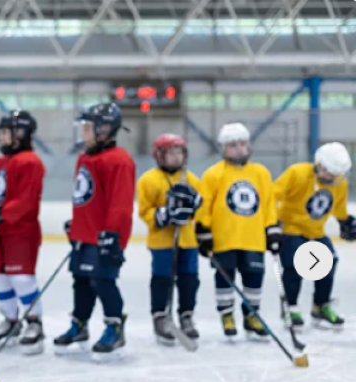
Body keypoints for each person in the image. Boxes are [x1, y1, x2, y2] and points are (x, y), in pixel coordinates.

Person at [55, 102, 135, 357]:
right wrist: (76, 224)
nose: (83, 133)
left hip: (104, 237)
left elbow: (120, 203)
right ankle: (79, 324)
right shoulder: (85, 158)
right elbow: (85, 196)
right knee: (80, 281)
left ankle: (115, 326)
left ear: (105, 130)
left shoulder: (119, 160)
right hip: (84, 234)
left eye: (88, 128)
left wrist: (113, 235)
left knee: (103, 281)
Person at [195, 123, 279, 341]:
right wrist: (203, 230)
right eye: (233, 145)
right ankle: (227, 315)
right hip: (225, 238)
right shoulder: (213, 174)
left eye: (243, 144)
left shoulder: (260, 173)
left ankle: (251, 316)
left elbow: (268, 203)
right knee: (225, 278)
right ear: (223, 149)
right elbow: (205, 205)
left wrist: (272, 227)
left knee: (254, 278)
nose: (239, 149)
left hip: (253, 238)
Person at [0, 110, 46, 355]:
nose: (2, 137)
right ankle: (11, 320)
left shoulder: (29, 161)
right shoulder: (1, 162)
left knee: (21, 278)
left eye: (6, 132)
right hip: (4, 231)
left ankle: (34, 322)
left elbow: (26, 202)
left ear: (20, 134)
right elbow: (2, 192)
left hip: (22, 232)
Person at [274, 141, 355, 330]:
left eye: (336, 175)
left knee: (329, 263)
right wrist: (272, 221)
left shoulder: (339, 183)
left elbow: (338, 207)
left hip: (315, 231)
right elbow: (272, 194)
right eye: (328, 172)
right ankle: (290, 307)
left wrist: (345, 222)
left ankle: (320, 306)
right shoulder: (297, 173)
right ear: (318, 164)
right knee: (294, 266)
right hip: (291, 228)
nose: (331, 178)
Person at [137, 134, 202, 345]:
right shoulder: (148, 180)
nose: (176, 157)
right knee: (162, 279)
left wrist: (193, 204)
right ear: (159, 155)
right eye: (170, 152)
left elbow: (199, 206)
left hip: (187, 240)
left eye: (179, 152)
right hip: (162, 241)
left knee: (189, 279)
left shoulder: (191, 179)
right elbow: (145, 211)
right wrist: (166, 214)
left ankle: (186, 315)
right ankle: (160, 316)